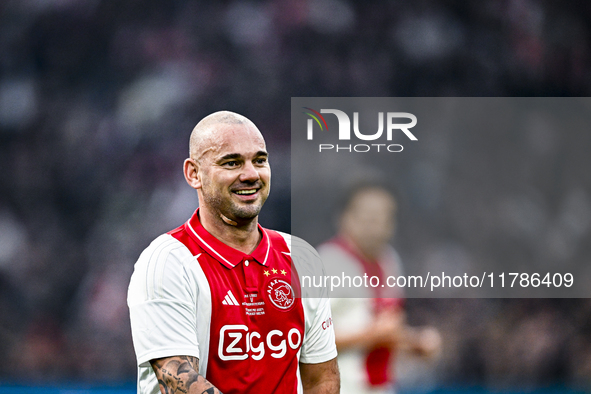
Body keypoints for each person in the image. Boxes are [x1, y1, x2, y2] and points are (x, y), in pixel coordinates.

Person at [127, 111, 339, 394]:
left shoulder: (300, 257)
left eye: (260, 161)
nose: (251, 174)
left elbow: (322, 379)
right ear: (194, 173)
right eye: (232, 162)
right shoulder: (168, 261)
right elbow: (179, 384)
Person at [318, 184, 440, 394]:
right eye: (368, 216)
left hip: (380, 387)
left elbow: (385, 330)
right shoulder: (327, 262)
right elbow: (302, 339)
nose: (375, 224)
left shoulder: (389, 261)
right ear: (345, 218)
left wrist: (414, 342)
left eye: (383, 216)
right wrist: (372, 334)